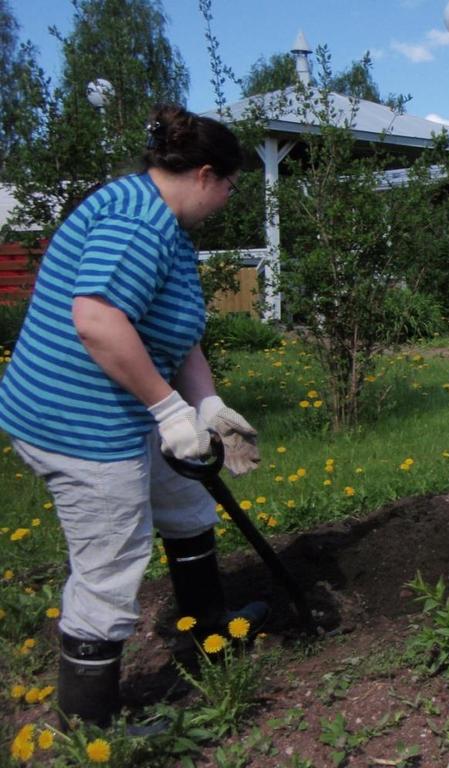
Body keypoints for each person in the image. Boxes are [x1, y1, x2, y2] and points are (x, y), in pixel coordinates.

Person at [0, 104, 267, 729]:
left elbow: (177, 333)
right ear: (204, 174)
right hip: (80, 423)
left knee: (186, 498)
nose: (228, 199)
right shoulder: (137, 221)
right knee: (112, 562)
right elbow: (96, 320)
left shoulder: (163, 223)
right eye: (229, 186)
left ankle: (206, 635)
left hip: (122, 408)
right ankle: (91, 727)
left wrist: (206, 405)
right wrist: (169, 409)